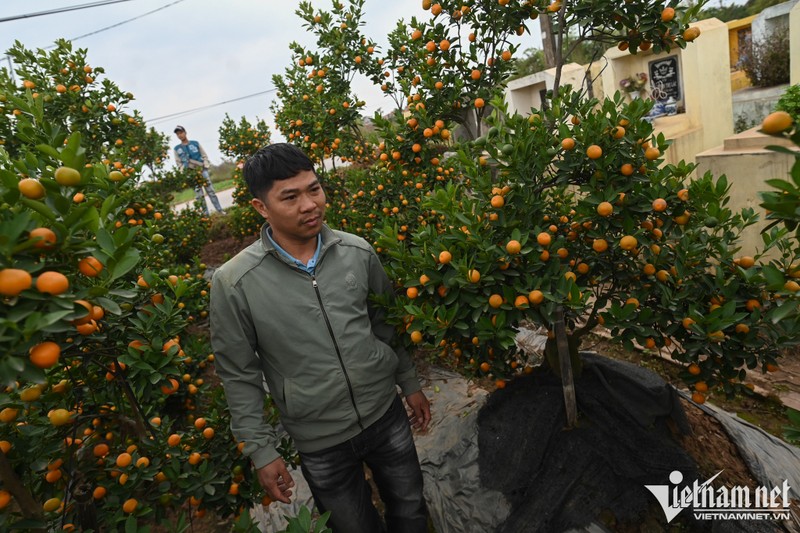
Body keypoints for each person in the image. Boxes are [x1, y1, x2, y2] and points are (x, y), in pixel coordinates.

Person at [209, 142, 431, 533]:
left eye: (314, 189)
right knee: (352, 526)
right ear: (262, 207)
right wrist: (262, 450)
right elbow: (239, 373)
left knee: (410, 508)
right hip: (319, 438)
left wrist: (409, 383)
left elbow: (385, 324)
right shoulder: (236, 283)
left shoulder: (356, 252)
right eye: (290, 197)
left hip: (385, 414)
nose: (310, 204)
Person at [173, 125, 224, 215]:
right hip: (191, 173)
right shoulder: (177, 149)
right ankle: (206, 215)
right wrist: (184, 172)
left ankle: (220, 211)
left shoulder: (195, 143)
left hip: (202, 170)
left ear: (185, 132)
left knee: (211, 191)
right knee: (199, 195)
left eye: (181, 133)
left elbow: (204, 155)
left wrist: (205, 166)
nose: (180, 135)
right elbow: (178, 163)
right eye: (178, 134)